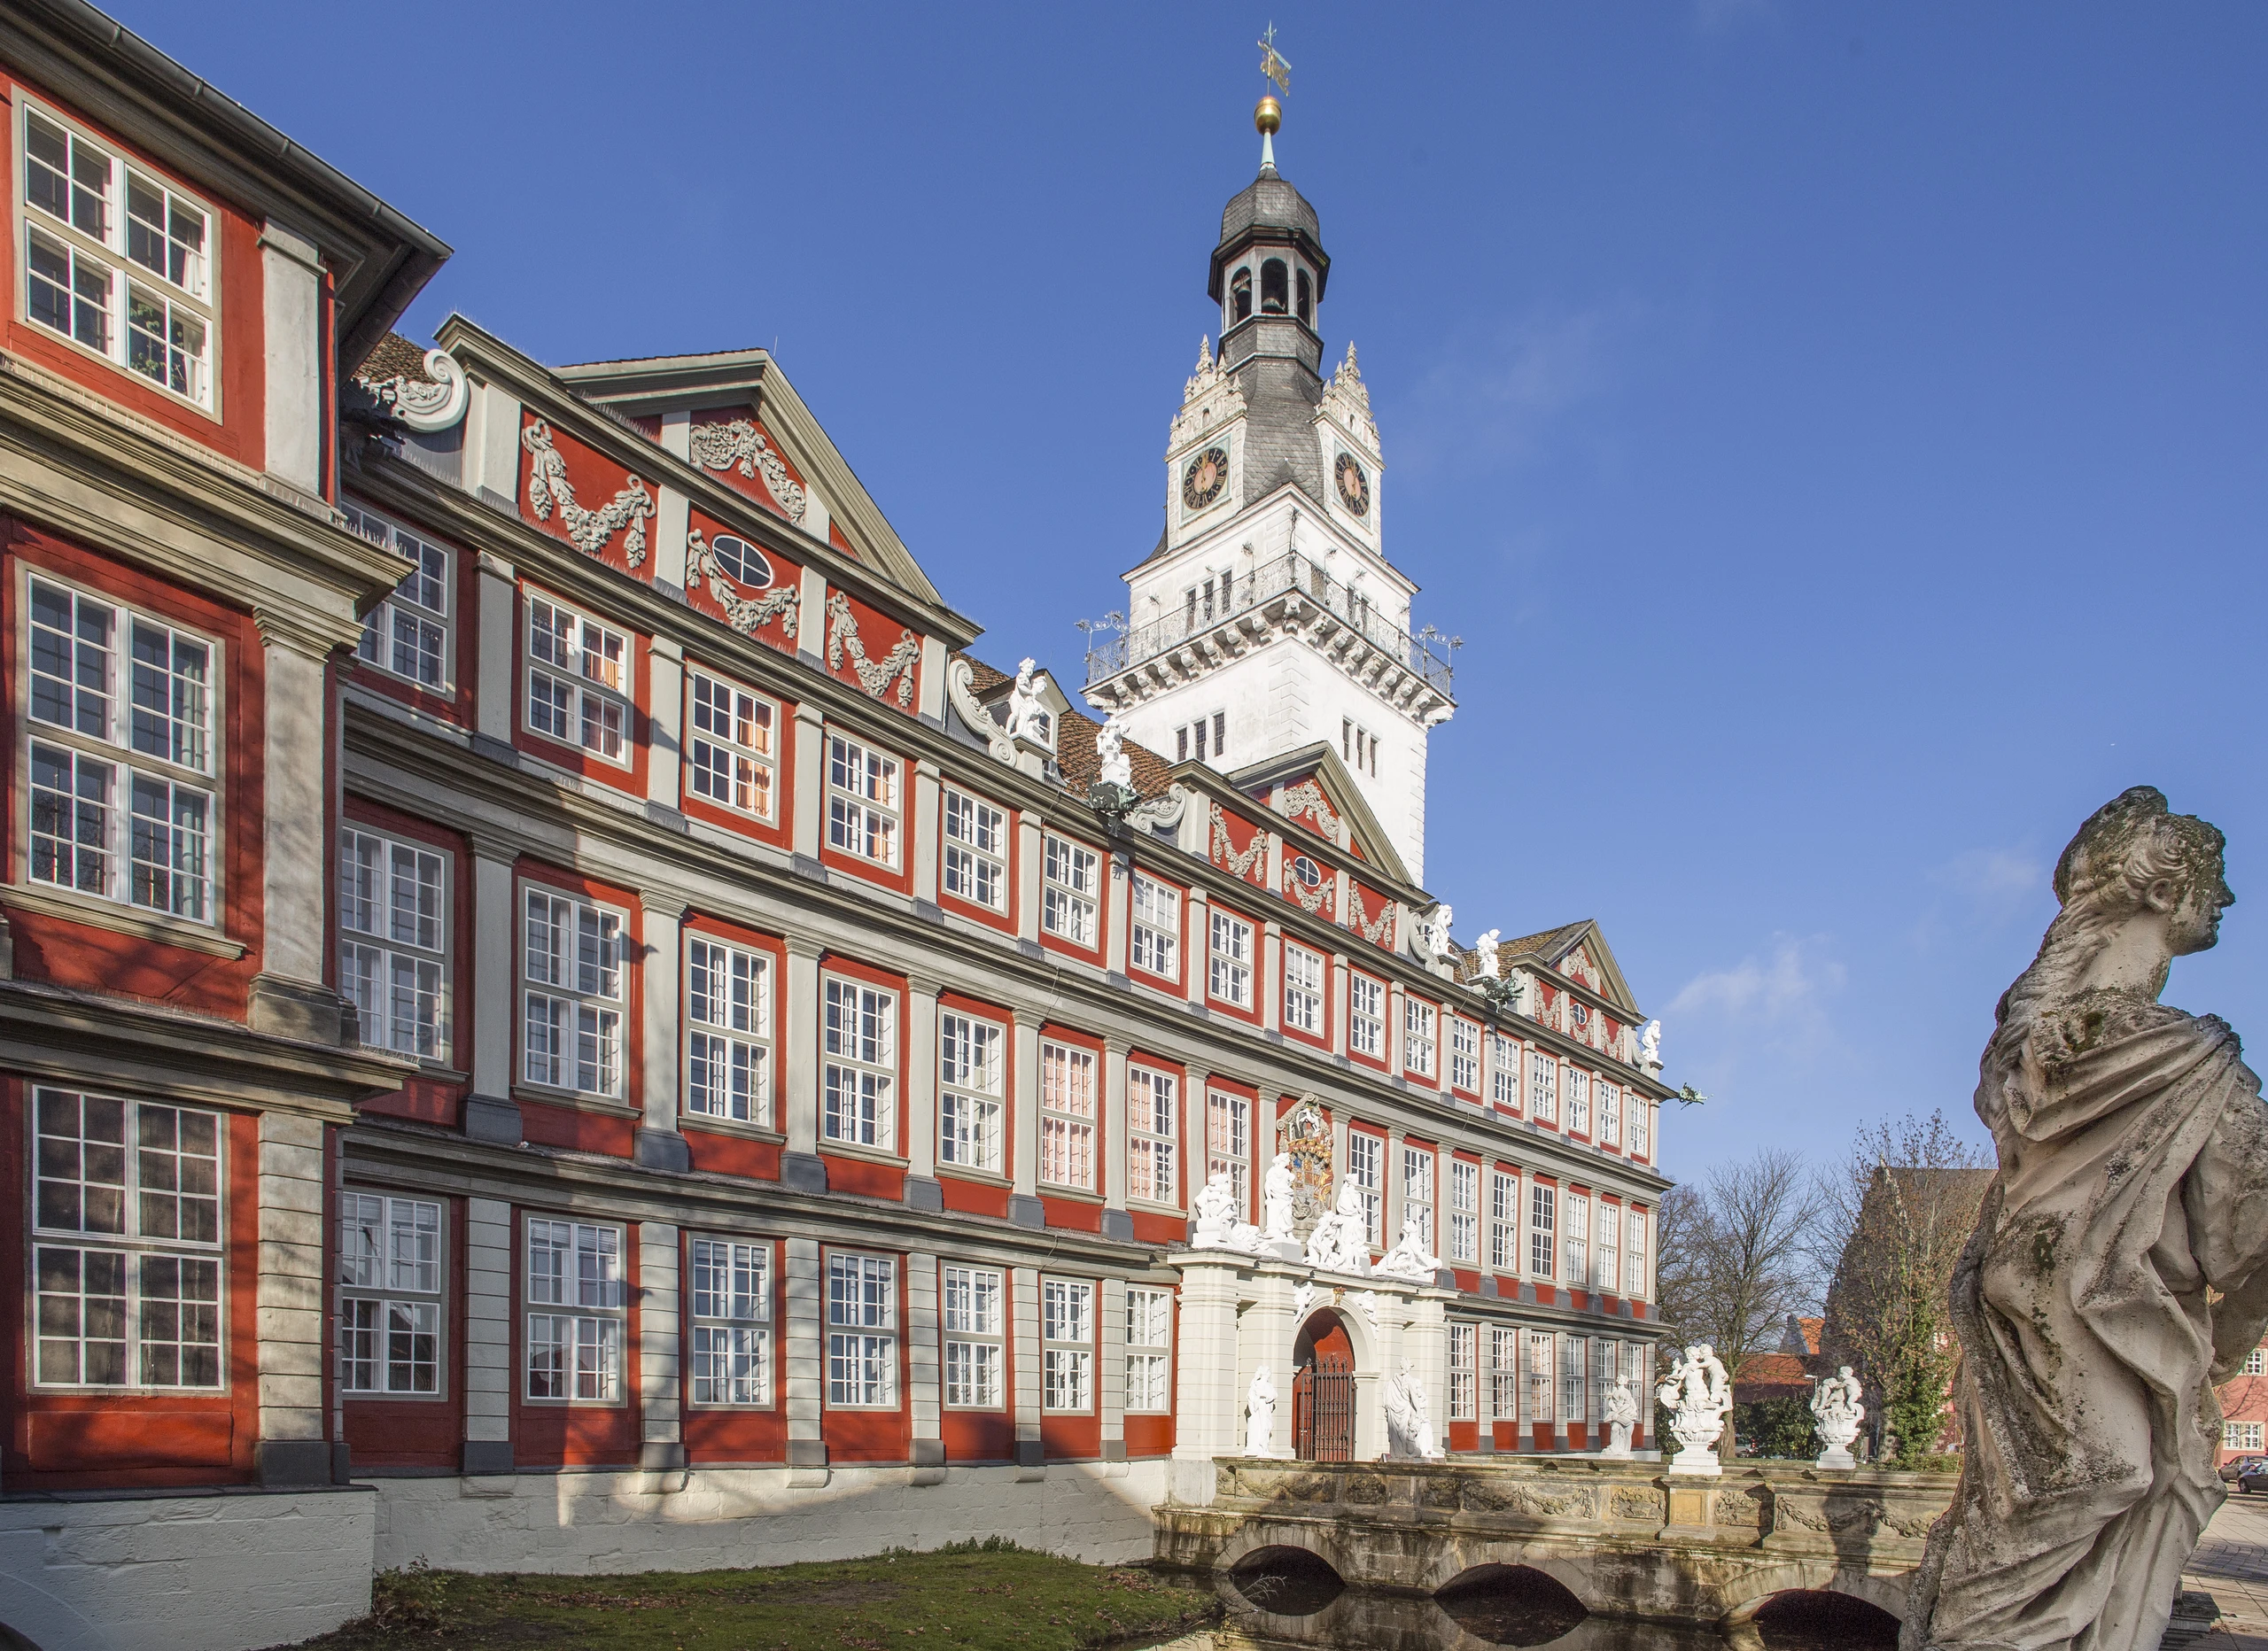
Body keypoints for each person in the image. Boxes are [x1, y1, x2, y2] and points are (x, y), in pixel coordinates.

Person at [1908, 789, 2268, 1651]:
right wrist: (2232, 1331)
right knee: (2107, 1475)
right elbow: (2248, 1229)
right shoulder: (2181, 1058)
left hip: (2026, 1287)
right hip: (2083, 1302)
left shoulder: (2043, 1041)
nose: (2225, 898)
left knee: (2082, 1489)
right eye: (2212, 878)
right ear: (2161, 886)